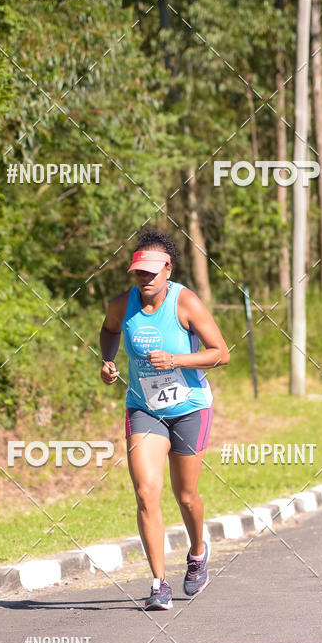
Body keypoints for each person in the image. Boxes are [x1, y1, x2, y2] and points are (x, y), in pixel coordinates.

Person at [99, 230, 230, 610]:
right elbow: (108, 332)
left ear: (168, 269)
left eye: (152, 272)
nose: (144, 278)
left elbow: (220, 353)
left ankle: (197, 552)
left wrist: (177, 361)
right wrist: (107, 362)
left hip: (190, 406)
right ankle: (159, 583)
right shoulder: (122, 305)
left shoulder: (185, 302)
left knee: (185, 494)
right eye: (138, 272)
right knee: (145, 492)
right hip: (144, 408)